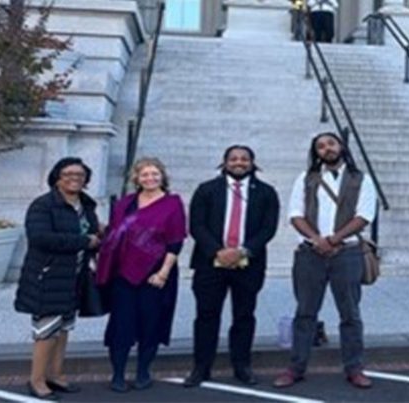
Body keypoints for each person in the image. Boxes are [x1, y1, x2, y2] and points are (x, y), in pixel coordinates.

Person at [273, 132, 376, 389]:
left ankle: (354, 368)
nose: (326, 148)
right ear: (315, 152)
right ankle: (296, 368)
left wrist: (333, 240)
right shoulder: (306, 179)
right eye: (320, 146)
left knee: (350, 313)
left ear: (341, 146)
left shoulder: (361, 179)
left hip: (347, 253)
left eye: (330, 143)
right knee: (305, 313)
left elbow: (364, 216)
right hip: (310, 254)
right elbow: (295, 214)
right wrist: (317, 239)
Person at [183, 145, 280, 387]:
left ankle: (242, 366)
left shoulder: (267, 192)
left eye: (244, 159)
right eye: (234, 159)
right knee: (206, 315)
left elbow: (268, 228)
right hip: (210, 263)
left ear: (252, 162)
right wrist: (219, 251)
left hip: (249, 264)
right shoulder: (206, 190)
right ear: (224, 162)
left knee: (244, 316)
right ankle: (201, 367)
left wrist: (242, 252)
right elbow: (197, 225)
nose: (239, 163)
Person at [96, 157, 186, 392]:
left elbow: (175, 242)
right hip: (123, 274)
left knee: (151, 324)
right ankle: (117, 374)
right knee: (121, 325)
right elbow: (114, 236)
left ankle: (143, 371)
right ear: (136, 178)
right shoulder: (125, 204)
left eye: (155, 174)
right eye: (145, 174)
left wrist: (163, 273)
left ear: (162, 176)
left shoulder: (172, 204)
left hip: (156, 275)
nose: (150, 178)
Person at [14, 157, 100, 400]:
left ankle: (55, 374)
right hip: (48, 276)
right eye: (68, 174)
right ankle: (37, 380)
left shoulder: (86, 205)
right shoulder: (43, 205)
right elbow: (41, 237)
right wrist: (84, 241)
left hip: (75, 277)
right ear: (57, 178)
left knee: (63, 329)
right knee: (46, 331)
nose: (75, 179)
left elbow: (90, 232)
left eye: (80, 175)